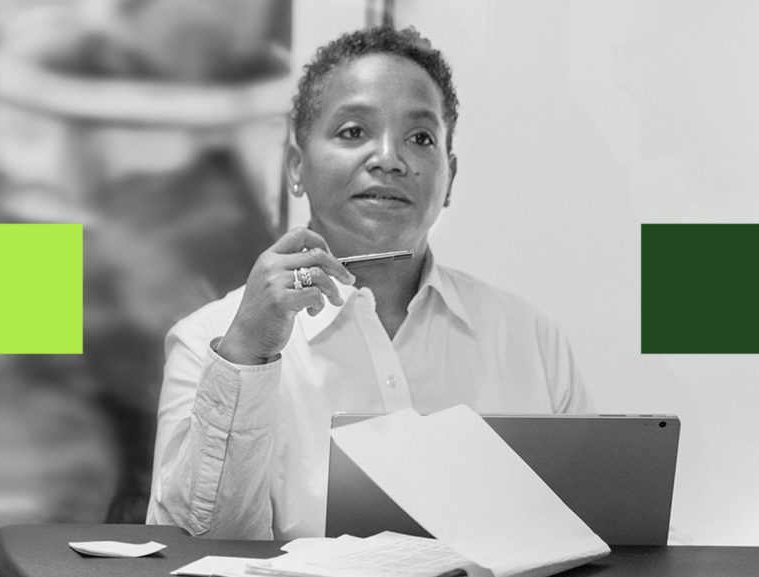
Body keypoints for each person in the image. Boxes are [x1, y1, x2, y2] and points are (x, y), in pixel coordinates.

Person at [147, 26, 593, 540]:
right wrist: (247, 357)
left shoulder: (532, 341)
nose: (389, 158)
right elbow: (190, 550)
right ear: (296, 167)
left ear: (449, 177)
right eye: (353, 131)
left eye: (420, 138)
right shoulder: (212, 339)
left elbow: (590, 538)